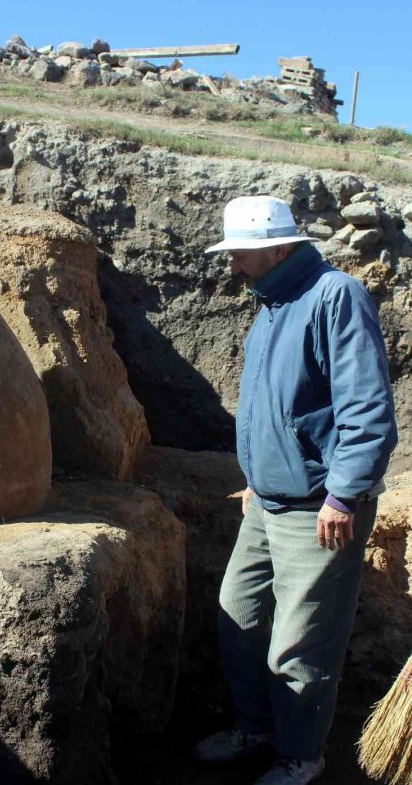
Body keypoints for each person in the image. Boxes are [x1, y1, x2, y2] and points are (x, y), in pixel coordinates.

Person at [193, 196, 397, 785]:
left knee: (300, 645)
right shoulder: (274, 302)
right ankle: (256, 729)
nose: (232, 263)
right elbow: (279, 406)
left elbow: (366, 409)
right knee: (240, 615)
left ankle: (301, 756)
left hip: (319, 509)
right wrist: (259, 477)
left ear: (277, 247)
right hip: (270, 501)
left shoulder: (335, 297)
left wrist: (344, 494)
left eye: (240, 252)